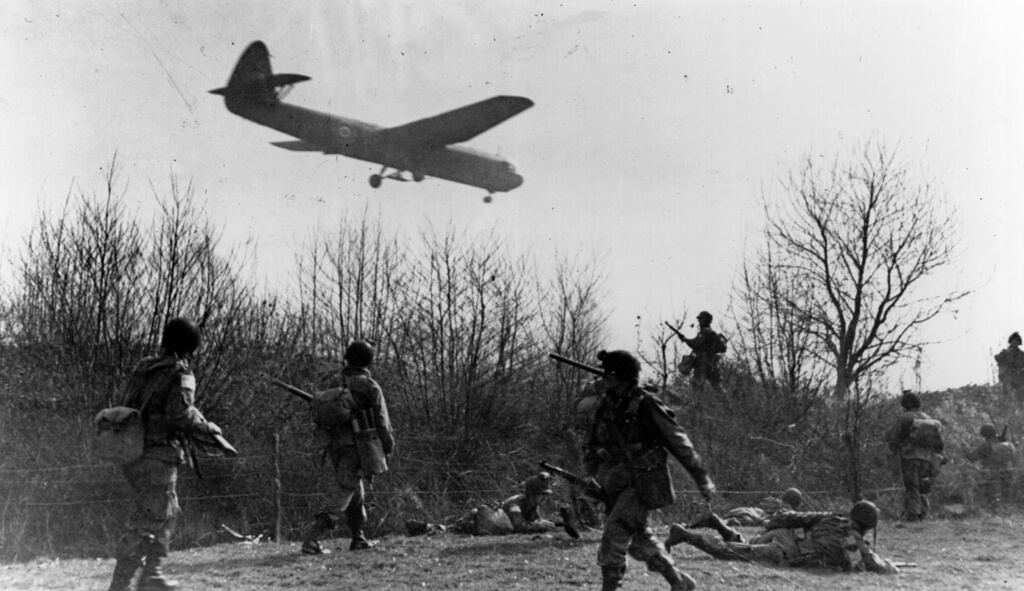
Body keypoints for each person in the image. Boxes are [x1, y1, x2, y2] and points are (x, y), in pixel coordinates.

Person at [108, 317, 227, 591]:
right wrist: (209, 428)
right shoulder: (180, 373)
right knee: (149, 520)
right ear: (189, 347)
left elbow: (128, 401)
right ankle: (120, 585)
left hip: (133, 452)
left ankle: (152, 574)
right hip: (158, 457)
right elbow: (179, 415)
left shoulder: (144, 367)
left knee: (166, 512)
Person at [585, 349, 716, 591]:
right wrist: (591, 475)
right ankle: (679, 582)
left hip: (643, 483)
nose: (603, 378)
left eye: (608, 374)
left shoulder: (646, 404)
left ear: (620, 376)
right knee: (640, 542)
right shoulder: (607, 404)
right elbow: (592, 442)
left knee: (614, 534)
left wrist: (701, 478)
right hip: (615, 482)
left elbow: (677, 441)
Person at [301, 340, 395, 554]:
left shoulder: (335, 381)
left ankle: (358, 538)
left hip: (334, 445)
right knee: (344, 489)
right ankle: (312, 538)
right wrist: (388, 446)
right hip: (358, 446)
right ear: (368, 362)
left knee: (355, 489)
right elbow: (383, 421)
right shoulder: (370, 386)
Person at [664, 501, 899, 575]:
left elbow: (794, 517)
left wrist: (770, 525)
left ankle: (717, 523)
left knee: (742, 546)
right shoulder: (853, 539)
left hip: (779, 536)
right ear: (869, 526)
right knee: (731, 552)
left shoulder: (832, 516)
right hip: (782, 552)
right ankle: (685, 534)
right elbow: (874, 565)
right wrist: (891, 566)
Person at [885, 390, 945, 522]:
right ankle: (923, 513)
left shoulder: (905, 418)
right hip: (928, 458)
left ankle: (913, 515)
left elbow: (893, 439)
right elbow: (940, 443)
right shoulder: (929, 419)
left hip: (910, 457)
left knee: (911, 486)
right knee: (923, 487)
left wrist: (895, 448)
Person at [965, 423, 1016, 506]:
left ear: (984, 434)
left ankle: (993, 508)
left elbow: (972, 457)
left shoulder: (986, 446)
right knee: (1006, 497)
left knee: (992, 498)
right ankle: (1006, 508)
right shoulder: (1008, 445)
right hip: (1007, 472)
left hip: (992, 475)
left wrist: (965, 448)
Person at [672, 311, 726, 389]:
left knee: (697, 385)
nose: (699, 321)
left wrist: (685, 339)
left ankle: (698, 398)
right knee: (716, 385)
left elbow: (696, 344)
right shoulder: (710, 332)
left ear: (704, 320)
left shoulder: (705, 332)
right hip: (711, 362)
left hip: (702, 362)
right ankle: (725, 397)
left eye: (700, 319)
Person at [720, 487, 805, 527]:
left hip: (752, 515)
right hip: (753, 514)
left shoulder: (785, 510)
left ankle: (728, 521)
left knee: (751, 518)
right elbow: (764, 519)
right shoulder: (784, 510)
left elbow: (765, 520)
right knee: (754, 516)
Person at [995, 332, 1024, 406]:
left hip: (1019, 378)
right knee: (1008, 395)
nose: (1015, 342)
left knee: (1020, 397)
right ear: (1011, 341)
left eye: (1017, 340)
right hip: (1008, 377)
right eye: (1014, 340)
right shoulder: (1005, 352)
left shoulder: (1021, 354)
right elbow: (997, 358)